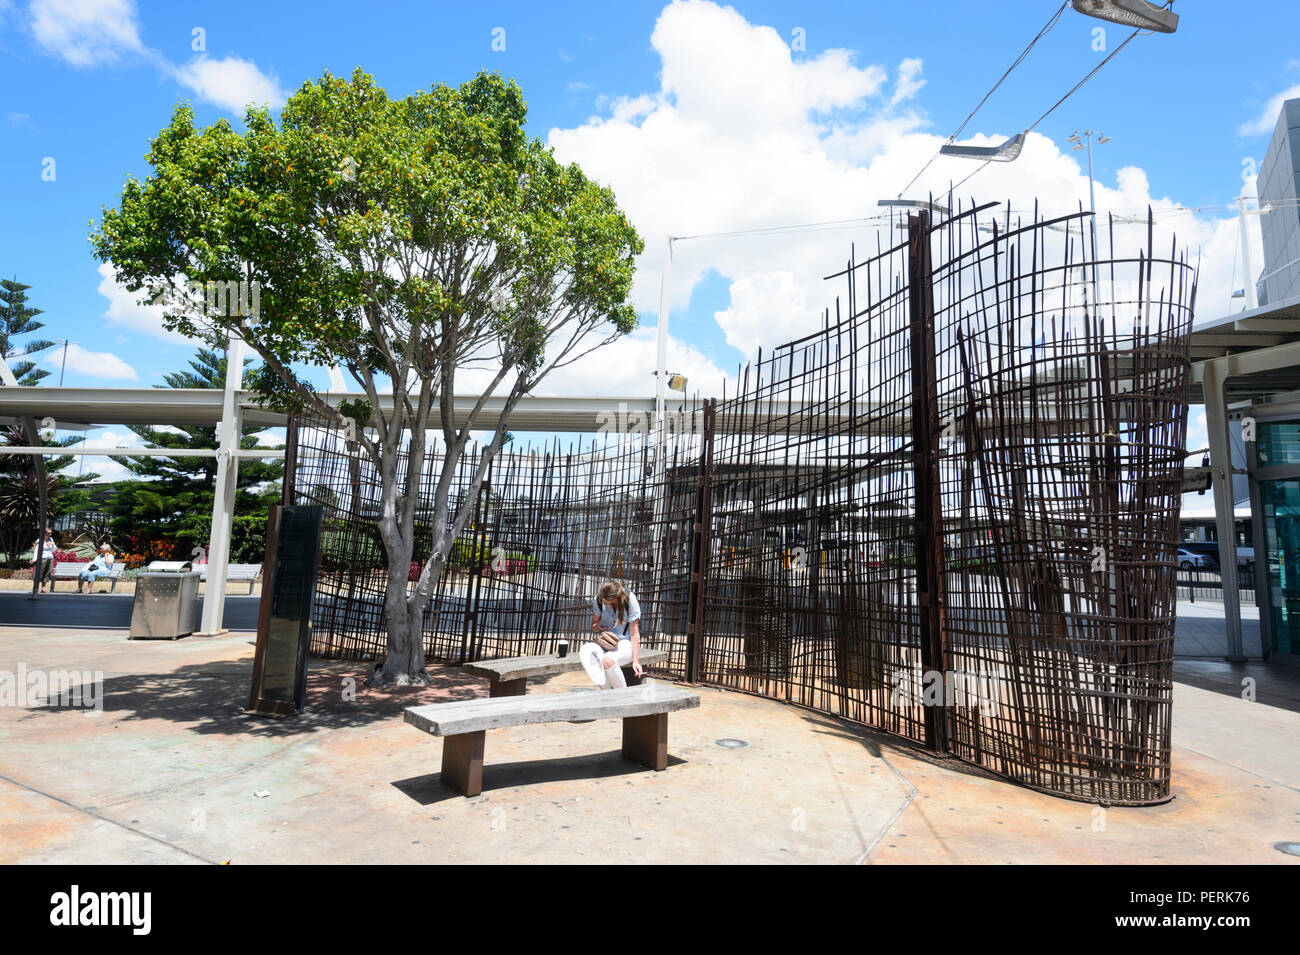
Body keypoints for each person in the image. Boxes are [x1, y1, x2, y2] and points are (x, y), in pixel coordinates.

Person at [579, 579, 643, 690]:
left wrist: (636, 661)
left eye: (605, 601)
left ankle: (622, 696)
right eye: (601, 599)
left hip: (625, 642)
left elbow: (634, 633)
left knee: (607, 660)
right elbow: (594, 625)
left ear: (614, 598)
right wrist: (598, 627)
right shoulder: (598, 600)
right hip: (606, 642)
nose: (602, 601)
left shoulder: (629, 599)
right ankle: (606, 695)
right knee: (589, 654)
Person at [34, 527, 57, 593]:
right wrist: (35, 559)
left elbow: (54, 549)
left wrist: (52, 544)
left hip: (50, 558)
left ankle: (43, 588)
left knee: (47, 572)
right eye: (48, 533)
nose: (50, 534)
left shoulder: (51, 540)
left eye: (50, 533)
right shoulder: (40, 540)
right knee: (39, 573)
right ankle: (36, 587)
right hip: (42, 558)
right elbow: (36, 550)